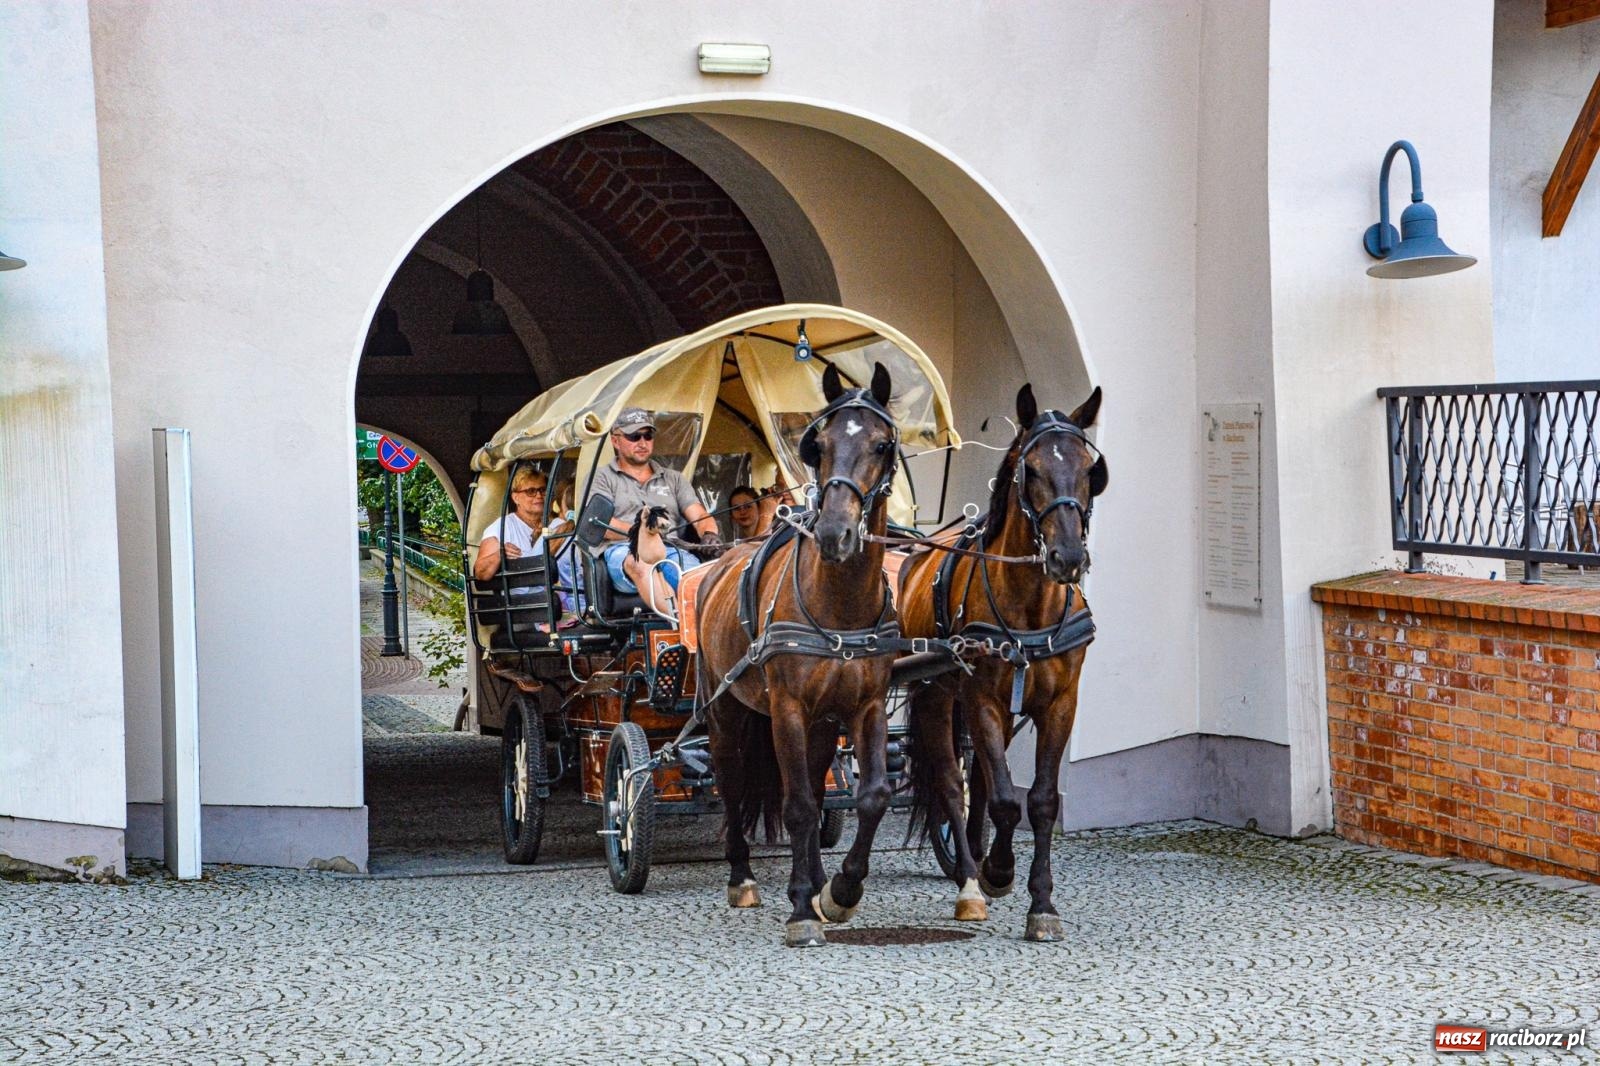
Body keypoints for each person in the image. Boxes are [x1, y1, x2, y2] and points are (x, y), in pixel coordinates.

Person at [592, 407, 719, 615]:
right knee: (640, 563)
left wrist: (709, 533)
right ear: (615, 441)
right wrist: (645, 533)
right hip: (624, 551)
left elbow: (700, 515)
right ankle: (681, 622)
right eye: (634, 436)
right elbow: (601, 524)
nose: (642, 443)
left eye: (647, 436)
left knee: (702, 576)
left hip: (671, 550)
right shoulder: (602, 477)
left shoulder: (674, 478)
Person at [474, 466, 548, 581]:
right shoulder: (502, 527)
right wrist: (500, 554)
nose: (539, 496)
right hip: (525, 597)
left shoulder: (552, 524)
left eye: (542, 490)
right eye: (531, 491)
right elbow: (480, 573)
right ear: (516, 498)